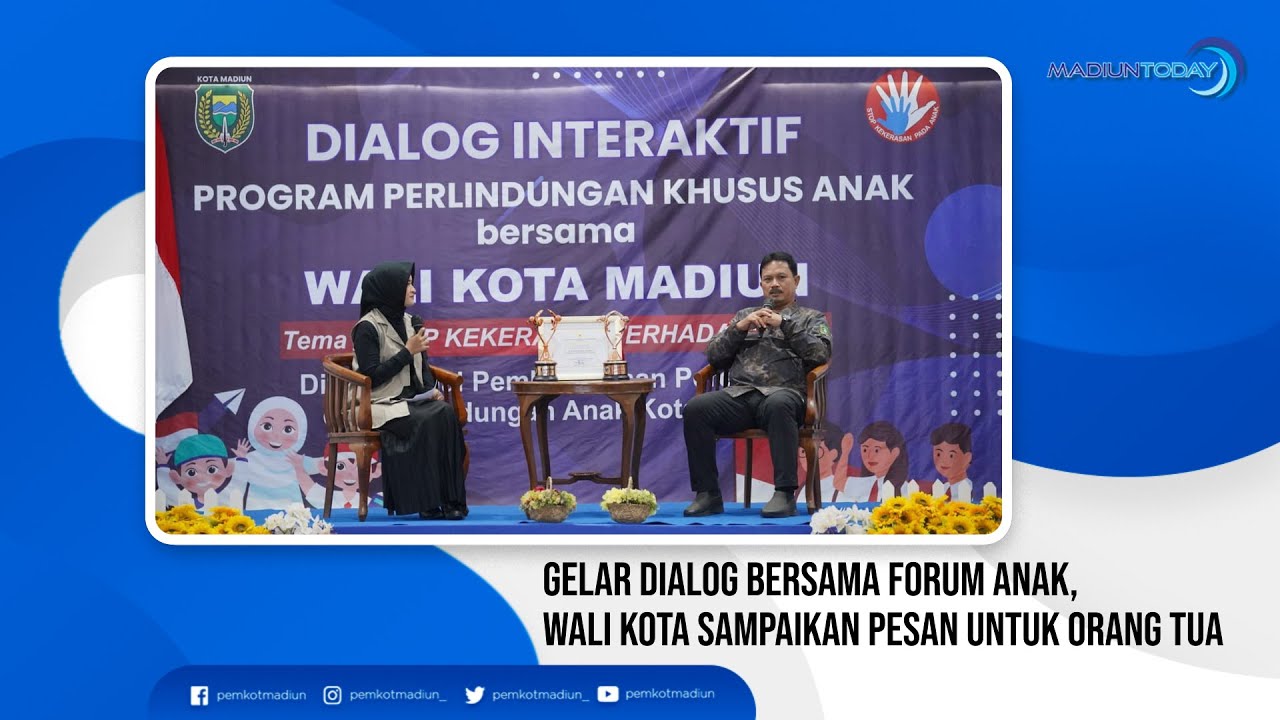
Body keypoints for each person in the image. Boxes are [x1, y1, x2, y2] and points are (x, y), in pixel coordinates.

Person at [683, 251, 832, 518]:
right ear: (761, 283)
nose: (774, 284)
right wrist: (739, 328)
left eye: (781, 277)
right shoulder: (745, 315)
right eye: (768, 279)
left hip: (786, 397)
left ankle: (784, 493)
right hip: (740, 396)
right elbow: (714, 356)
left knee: (778, 403)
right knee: (696, 408)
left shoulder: (811, 318)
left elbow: (820, 355)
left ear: (796, 280)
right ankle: (708, 494)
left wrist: (784, 324)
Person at [352, 261, 468, 520]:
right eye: (407, 285)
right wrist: (407, 351)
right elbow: (371, 377)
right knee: (427, 419)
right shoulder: (367, 327)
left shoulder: (410, 322)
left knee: (444, 413)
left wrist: (430, 390)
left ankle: (451, 500)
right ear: (389, 288)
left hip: (409, 401)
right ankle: (426, 503)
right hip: (378, 403)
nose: (413, 289)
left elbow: (421, 367)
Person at [855, 420, 911, 501]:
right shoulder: (860, 486)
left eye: (876, 450)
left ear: (894, 453)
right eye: (865, 450)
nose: (870, 456)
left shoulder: (905, 489)